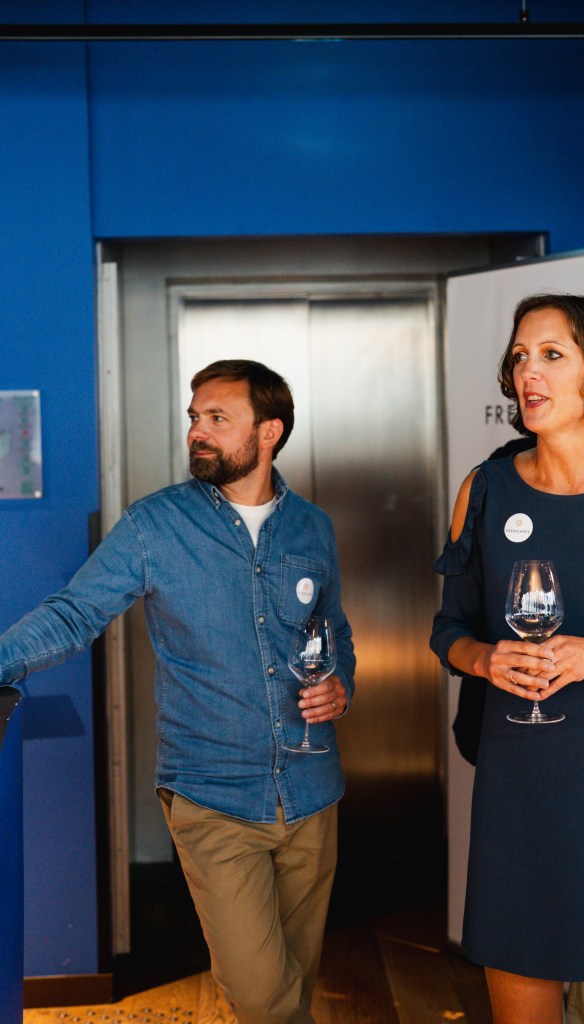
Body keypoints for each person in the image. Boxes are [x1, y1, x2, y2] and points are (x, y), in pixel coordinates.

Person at [0, 359, 355, 1024]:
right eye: (194, 417)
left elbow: (332, 631)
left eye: (218, 417)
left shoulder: (313, 528)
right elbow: (74, 613)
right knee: (263, 997)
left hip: (312, 791)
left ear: (270, 431)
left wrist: (342, 686)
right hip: (212, 794)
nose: (197, 430)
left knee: (294, 987)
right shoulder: (153, 525)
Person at [430, 294, 584, 1024]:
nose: (527, 373)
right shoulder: (485, 489)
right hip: (521, 781)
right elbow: (449, 629)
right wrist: (484, 660)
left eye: (550, 354)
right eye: (519, 357)